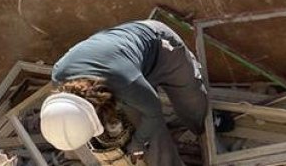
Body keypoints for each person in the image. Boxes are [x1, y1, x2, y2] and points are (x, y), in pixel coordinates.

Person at [40, 20, 224, 166]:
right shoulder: (59, 77)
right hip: (124, 65)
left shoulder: (124, 82)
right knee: (149, 133)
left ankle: (203, 126)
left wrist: (138, 142)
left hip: (161, 49)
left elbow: (154, 112)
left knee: (193, 106)